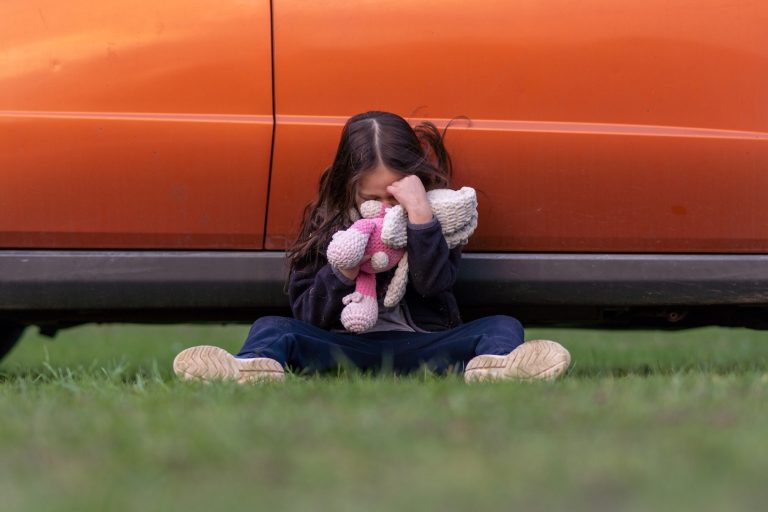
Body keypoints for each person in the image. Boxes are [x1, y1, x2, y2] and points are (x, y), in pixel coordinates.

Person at [173, 111, 570, 383]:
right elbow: (308, 315)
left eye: (394, 195)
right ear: (348, 186)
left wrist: (419, 217)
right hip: (345, 348)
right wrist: (342, 269)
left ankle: (497, 368)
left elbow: (434, 285)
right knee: (271, 327)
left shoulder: (435, 219)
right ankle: (248, 368)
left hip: (423, 346)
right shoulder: (327, 223)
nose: (383, 208)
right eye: (371, 196)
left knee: (503, 325)